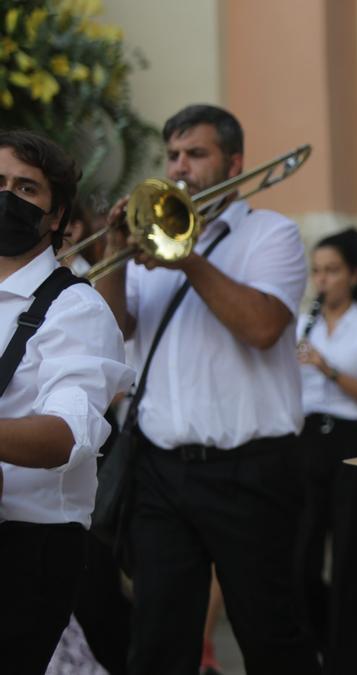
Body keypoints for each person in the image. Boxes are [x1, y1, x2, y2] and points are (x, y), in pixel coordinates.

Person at [93, 104, 320, 675]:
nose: (180, 167)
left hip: (250, 471)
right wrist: (114, 255)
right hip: (160, 470)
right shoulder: (150, 239)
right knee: (157, 640)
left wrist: (186, 259)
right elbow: (115, 328)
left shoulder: (271, 234)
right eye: (172, 155)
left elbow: (263, 327)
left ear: (234, 162)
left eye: (196, 154)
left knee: (271, 636)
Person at [0, 130, 133, 674]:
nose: (7, 195)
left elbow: (64, 436)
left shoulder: (77, 309)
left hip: (26, 550)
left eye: (25, 188)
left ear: (56, 217)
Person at [294, 227, 357, 674]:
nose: (323, 280)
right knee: (300, 563)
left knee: (352, 564)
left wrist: (328, 369)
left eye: (332, 271)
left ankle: (348, 661)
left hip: (354, 445)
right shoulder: (302, 324)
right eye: (317, 271)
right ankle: (332, 653)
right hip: (306, 440)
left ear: (353, 274)